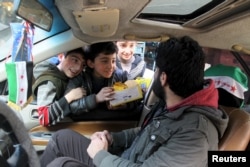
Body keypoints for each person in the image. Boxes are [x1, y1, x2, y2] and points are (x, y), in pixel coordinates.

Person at [40, 36, 229, 167]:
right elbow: (146, 132)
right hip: (125, 157)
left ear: (162, 78)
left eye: (155, 71)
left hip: (122, 161)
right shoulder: (174, 107)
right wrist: (113, 138)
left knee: (61, 164)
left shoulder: (194, 134)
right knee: (60, 138)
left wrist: (100, 154)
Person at [65, 42, 141, 120]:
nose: (111, 66)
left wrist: (124, 105)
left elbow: (137, 99)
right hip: (86, 124)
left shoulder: (120, 76)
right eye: (105, 61)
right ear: (91, 63)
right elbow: (69, 107)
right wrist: (96, 99)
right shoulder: (79, 78)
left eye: (113, 61)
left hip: (114, 123)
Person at [32, 48, 86, 126]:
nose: (78, 68)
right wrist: (70, 97)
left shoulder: (65, 77)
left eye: (83, 65)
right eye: (75, 60)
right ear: (61, 57)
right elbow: (44, 118)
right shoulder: (50, 82)